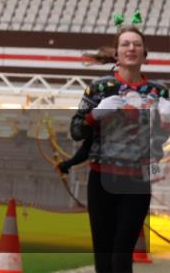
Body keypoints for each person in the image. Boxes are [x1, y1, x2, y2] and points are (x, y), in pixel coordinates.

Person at [70, 16, 170, 273]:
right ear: (117, 53)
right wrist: (95, 115)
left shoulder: (159, 92)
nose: (131, 49)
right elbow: (76, 130)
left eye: (137, 45)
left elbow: (159, 146)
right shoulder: (100, 88)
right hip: (101, 179)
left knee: (121, 254)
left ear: (145, 54)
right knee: (103, 256)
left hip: (137, 183)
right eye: (126, 44)